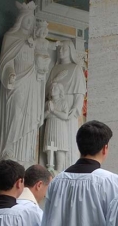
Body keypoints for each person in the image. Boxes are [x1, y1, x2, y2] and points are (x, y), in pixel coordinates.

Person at [0, 2, 44, 168]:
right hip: (17, 83)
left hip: (31, 84)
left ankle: (26, 154)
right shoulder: (11, 37)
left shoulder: (34, 42)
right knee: (16, 115)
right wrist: (10, 74)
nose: (30, 24)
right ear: (21, 20)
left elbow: (40, 65)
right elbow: (6, 61)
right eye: (28, 20)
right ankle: (8, 150)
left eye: (32, 22)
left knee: (29, 117)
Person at [44, 40, 87, 171]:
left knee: (67, 138)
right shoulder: (54, 68)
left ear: (71, 51)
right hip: (55, 107)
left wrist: (75, 108)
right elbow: (48, 90)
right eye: (60, 49)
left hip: (68, 107)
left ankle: (68, 167)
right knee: (54, 139)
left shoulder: (75, 68)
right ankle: (53, 168)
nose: (61, 51)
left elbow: (80, 92)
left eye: (64, 49)